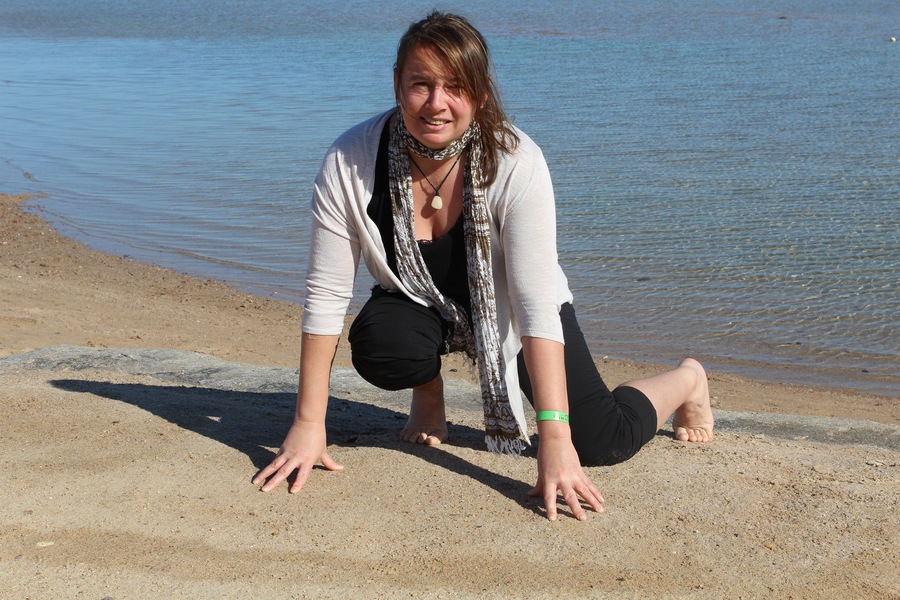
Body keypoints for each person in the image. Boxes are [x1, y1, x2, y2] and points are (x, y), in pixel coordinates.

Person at [252, 11, 714, 521]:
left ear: (482, 92)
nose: (436, 103)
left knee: (603, 441)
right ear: (396, 83)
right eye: (421, 84)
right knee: (384, 348)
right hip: (418, 300)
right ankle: (428, 391)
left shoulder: (516, 160)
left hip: (512, 310)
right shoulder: (350, 159)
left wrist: (554, 438)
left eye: (455, 86)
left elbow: (535, 305)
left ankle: (688, 380)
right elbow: (326, 294)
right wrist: (308, 423)